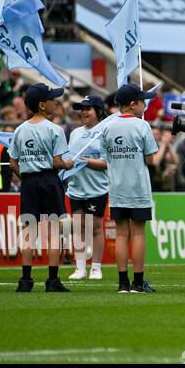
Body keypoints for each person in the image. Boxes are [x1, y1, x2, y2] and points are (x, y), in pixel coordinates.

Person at [8, 84, 73, 293]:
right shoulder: (55, 130)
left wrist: (26, 176)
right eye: (52, 100)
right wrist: (67, 164)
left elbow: (13, 163)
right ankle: (52, 280)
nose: (56, 103)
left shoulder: (20, 130)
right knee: (55, 230)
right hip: (49, 180)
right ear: (42, 105)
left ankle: (25, 280)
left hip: (28, 183)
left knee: (28, 231)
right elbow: (56, 162)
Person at [101, 83, 159, 295]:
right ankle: (138, 282)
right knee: (138, 233)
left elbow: (106, 156)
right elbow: (150, 158)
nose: (145, 105)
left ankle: (122, 283)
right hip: (138, 187)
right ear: (133, 104)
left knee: (121, 234)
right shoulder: (142, 126)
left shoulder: (107, 126)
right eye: (143, 101)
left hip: (116, 188)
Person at [63, 95, 108, 281]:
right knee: (78, 227)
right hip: (76, 187)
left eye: (88, 108)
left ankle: (96, 268)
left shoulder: (105, 131)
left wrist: (87, 162)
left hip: (96, 188)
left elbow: (106, 162)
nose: (84, 112)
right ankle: (80, 267)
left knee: (96, 227)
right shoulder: (74, 133)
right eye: (82, 108)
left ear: (98, 111)